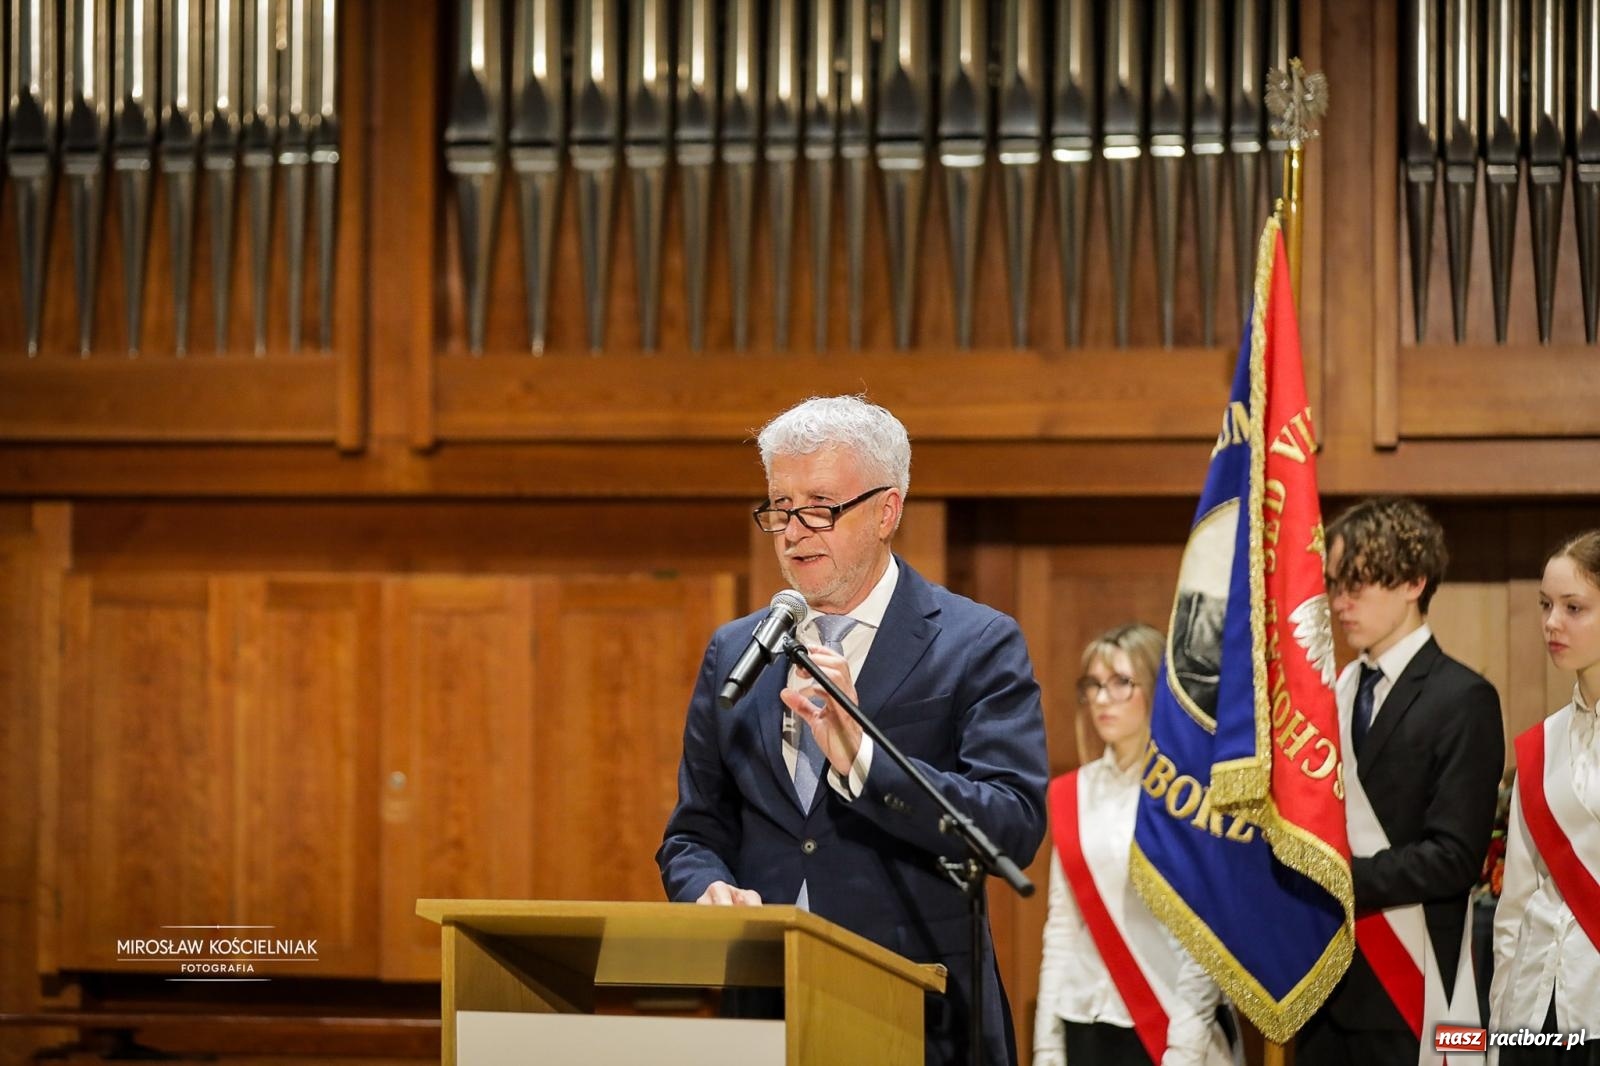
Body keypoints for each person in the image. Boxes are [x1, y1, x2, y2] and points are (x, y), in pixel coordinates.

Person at [656, 394, 1049, 1066]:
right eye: (779, 507)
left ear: (887, 511)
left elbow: (1011, 822)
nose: (792, 532)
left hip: (920, 1014)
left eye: (819, 508)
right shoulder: (736, 651)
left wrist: (862, 757)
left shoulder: (975, 643)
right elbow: (694, 833)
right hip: (766, 1009)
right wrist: (706, 888)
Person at [1297, 497, 1505, 1066]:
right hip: (1320, 983)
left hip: (1410, 987)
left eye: (1358, 584)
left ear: (1413, 582)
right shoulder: (1331, 693)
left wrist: (1334, 878)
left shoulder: (1463, 698)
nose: (1340, 602)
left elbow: (1453, 858)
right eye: (1334, 585)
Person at [1034, 623, 1234, 1066]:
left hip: (1170, 1025)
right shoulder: (1072, 793)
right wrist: (1046, 1044)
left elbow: (1206, 937)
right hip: (1085, 1019)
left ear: (1157, 689)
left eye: (1121, 682)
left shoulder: (1189, 795)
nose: (1103, 699)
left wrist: (1185, 1046)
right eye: (1094, 685)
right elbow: (1062, 927)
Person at [1489, 530, 1600, 1064]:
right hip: (1533, 1011)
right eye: (1545, 605)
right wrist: (1498, 1030)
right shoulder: (1542, 743)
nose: (1552, 622)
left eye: (1573, 608)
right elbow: (1514, 904)